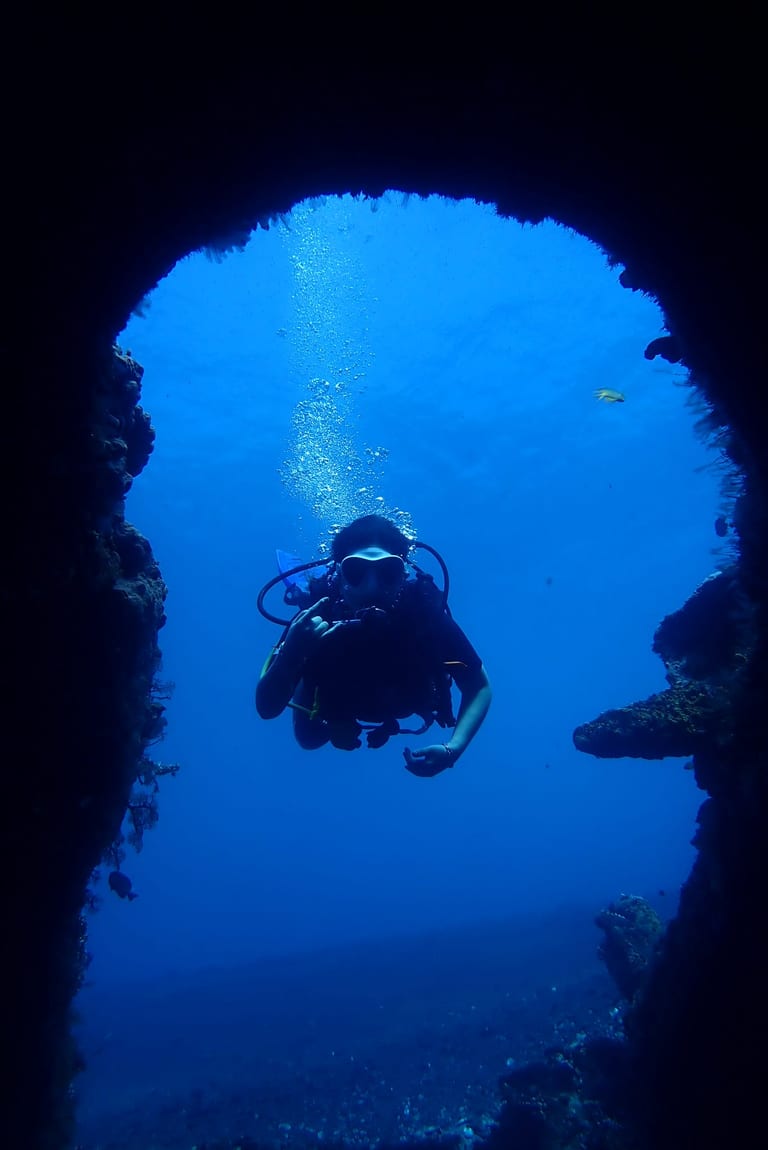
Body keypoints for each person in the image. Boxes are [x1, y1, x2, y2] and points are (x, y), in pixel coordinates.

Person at [255, 515, 491, 776]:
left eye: (388, 572)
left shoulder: (424, 614)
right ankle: (308, 589)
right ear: (339, 576)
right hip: (337, 700)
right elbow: (266, 708)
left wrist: (453, 749)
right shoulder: (316, 619)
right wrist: (292, 654)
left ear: (403, 575)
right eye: (356, 572)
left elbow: (478, 685)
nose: (372, 586)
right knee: (309, 738)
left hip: (404, 700)